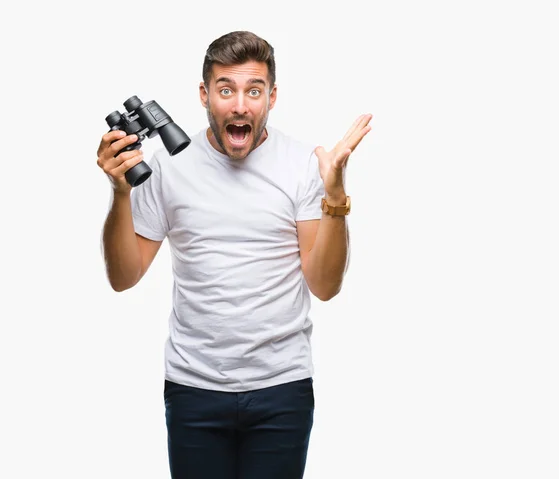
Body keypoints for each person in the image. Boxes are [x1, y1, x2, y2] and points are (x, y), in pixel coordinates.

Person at [96, 30, 371, 479]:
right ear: (205, 95)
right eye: (226, 90)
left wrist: (335, 198)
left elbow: (324, 286)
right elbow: (123, 277)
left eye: (253, 90)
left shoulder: (303, 164)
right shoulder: (168, 167)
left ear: (272, 97)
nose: (240, 105)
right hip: (193, 387)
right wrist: (119, 193)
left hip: (282, 388)